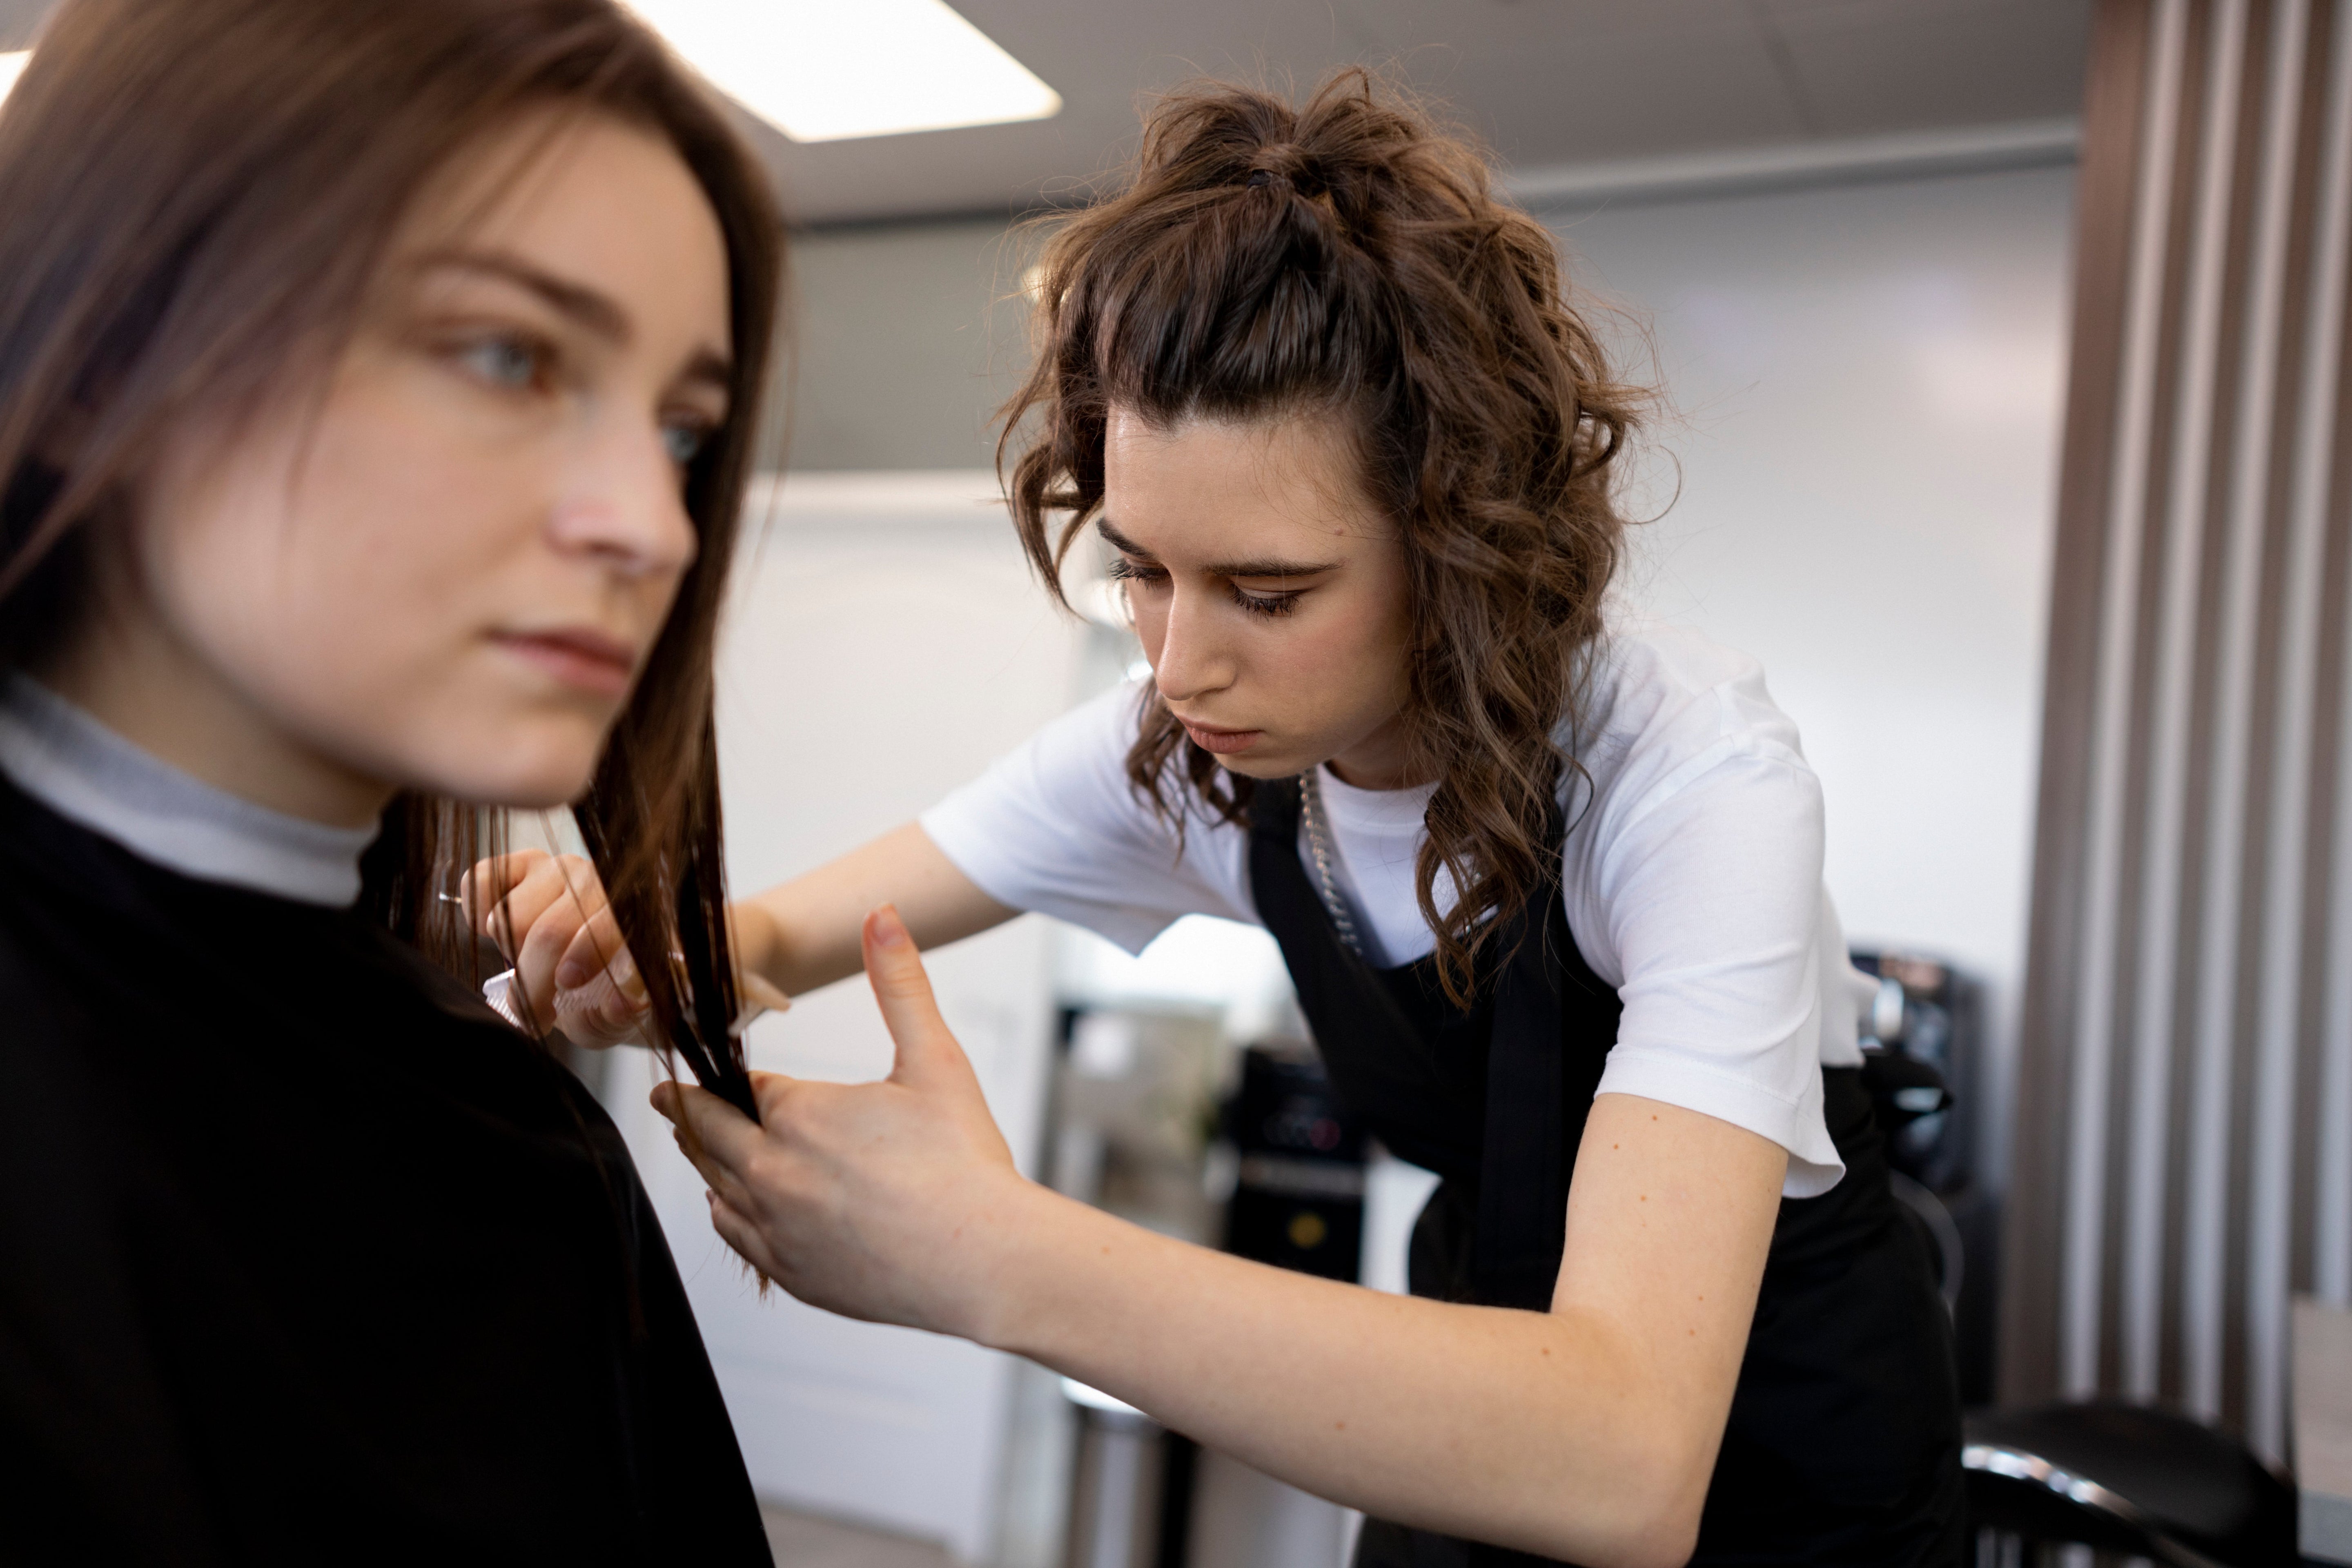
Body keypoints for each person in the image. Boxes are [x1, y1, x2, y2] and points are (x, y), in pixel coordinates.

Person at [484, 73, 1962, 1567]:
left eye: (1267, 593)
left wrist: (995, 1255)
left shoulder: (1684, 777)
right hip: (1462, 1416)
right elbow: (767, 940)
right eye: (1142, 571)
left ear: (1460, 546)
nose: (1180, 665)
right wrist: (635, 953)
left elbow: (1626, 1462)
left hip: (1782, 1473)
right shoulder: (1186, 755)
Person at [0, 0, 782, 1559]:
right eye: (509, 357)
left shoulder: (529, 1152)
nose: (652, 525)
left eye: (686, 434)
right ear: (98, 354)